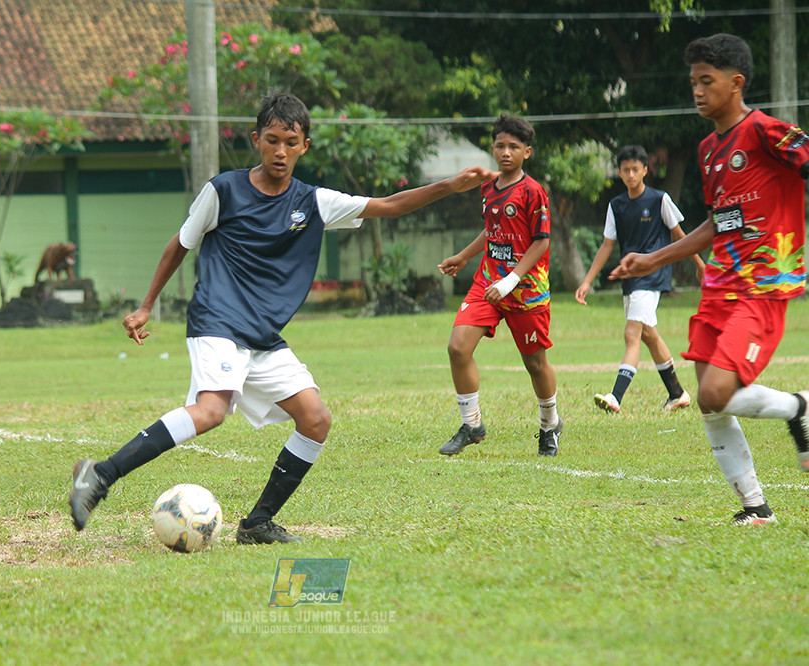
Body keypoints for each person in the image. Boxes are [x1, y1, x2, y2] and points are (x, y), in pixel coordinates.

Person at [68, 92, 497, 544]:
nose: (280, 151)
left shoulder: (314, 202)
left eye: (290, 142)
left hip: (262, 335)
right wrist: (146, 304)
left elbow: (387, 205)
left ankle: (256, 524)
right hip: (218, 319)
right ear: (256, 140)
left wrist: (449, 186)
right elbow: (181, 243)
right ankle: (98, 475)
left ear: (304, 146)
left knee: (315, 419)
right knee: (212, 410)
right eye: (271, 140)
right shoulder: (223, 191)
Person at [610, 34, 809, 526]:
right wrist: (653, 259)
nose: (697, 90)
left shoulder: (768, 132)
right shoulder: (708, 149)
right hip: (719, 288)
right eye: (693, 81)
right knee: (711, 405)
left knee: (714, 393)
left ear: (735, 82)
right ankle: (755, 507)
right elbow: (715, 224)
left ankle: (800, 408)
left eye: (707, 80)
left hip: (762, 287)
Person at [437, 114, 562, 458]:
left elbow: (541, 241)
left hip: (526, 290)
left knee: (535, 364)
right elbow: (492, 231)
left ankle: (550, 425)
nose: (506, 152)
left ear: (527, 152)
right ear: (492, 148)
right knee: (458, 347)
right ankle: (472, 424)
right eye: (500, 146)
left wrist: (511, 281)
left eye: (514, 147)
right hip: (488, 282)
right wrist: (464, 256)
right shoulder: (488, 189)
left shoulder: (533, 192)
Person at [575, 144, 704, 414]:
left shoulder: (660, 200)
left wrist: (700, 264)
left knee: (631, 333)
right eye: (625, 170)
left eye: (636, 169)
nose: (631, 174)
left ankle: (616, 397)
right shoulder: (617, 206)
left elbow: (681, 235)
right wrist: (587, 281)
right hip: (630, 279)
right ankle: (677, 393)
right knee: (648, 335)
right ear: (620, 174)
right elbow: (607, 245)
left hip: (653, 275)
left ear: (645, 170)